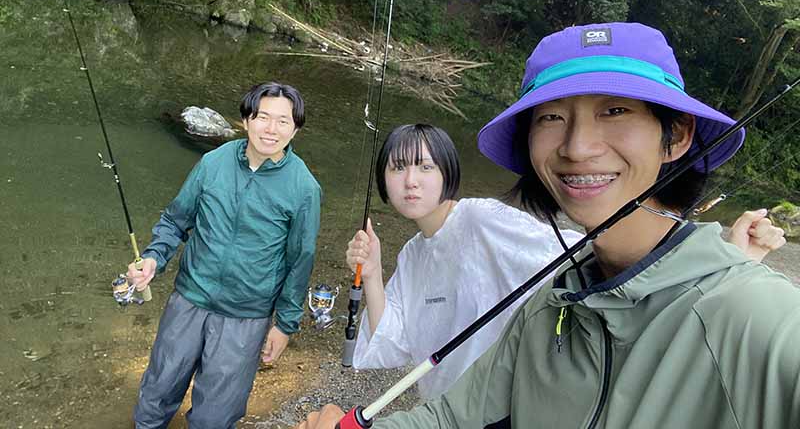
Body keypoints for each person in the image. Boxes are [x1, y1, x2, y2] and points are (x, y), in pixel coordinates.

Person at [297, 22, 798, 429]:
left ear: (678, 136)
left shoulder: (759, 318)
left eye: (616, 110)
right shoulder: (550, 305)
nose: (578, 147)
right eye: (552, 117)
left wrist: (736, 255)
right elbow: (453, 415)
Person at [345, 120, 786, 400]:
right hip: (442, 409)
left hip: (499, 404)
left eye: (425, 167)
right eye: (397, 168)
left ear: (448, 173)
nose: (410, 182)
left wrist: (727, 252)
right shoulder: (413, 253)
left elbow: (587, 256)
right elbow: (393, 341)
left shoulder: (481, 219)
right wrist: (377, 273)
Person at [127, 82, 322, 429]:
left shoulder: (304, 188)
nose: (271, 129)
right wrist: (154, 258)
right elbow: (176, 220)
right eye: (263, 117)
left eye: (282, 121)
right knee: (156, 394)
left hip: (246, 317)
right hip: (189, 299)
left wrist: (284, 325)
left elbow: (299, 262)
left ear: (295, 130)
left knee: (214, 417)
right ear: (246, 119)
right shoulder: (213, 162)